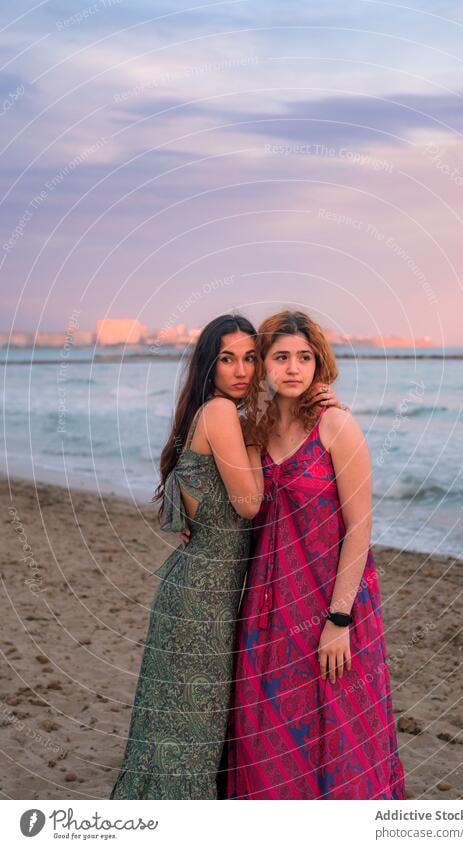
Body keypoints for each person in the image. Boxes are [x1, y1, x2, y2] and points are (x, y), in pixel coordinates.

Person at [109, 313, 338, 800]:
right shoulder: (219, 413)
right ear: (209, 367)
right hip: (201, 604)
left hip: (212, 598)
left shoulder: (218, 415)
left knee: (189, 735)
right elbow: (250, 503)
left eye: (250, 358)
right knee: (191, 739)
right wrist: (257, 435)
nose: (240, 370)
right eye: (227, 359)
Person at [224, 310, 407, 800]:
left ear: (318, 364)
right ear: (262, 364)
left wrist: (339, 618)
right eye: (280, 356)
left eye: (304, 357)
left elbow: (360, 527)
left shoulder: (336, 425)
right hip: (270, 605)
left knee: (339, 728)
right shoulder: (253, 434)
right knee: (268, 728)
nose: (293, 367)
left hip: (334, 598)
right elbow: (242, 506)